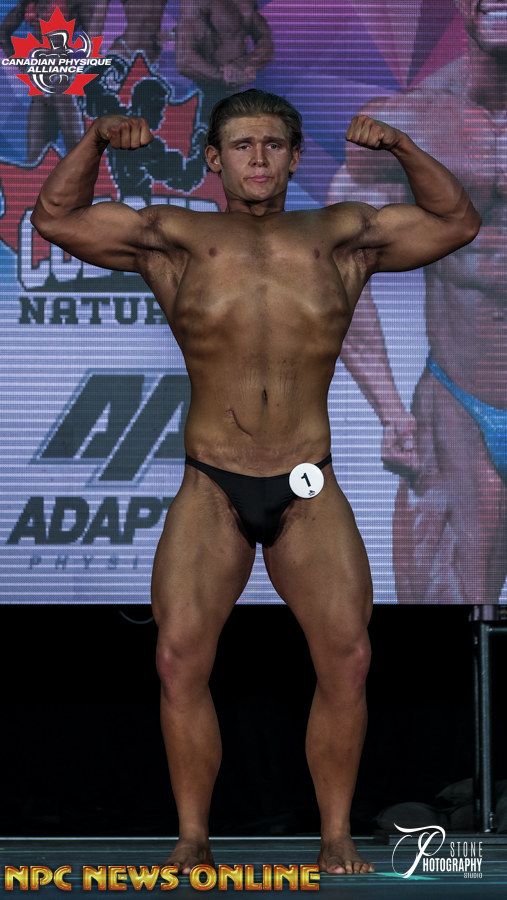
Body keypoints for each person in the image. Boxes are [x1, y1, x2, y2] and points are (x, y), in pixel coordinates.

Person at [30, 89, 480, 874]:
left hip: (307, 482)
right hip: (212, 483)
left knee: (348, 658)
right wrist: (96, 139)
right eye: (242, 145)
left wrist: (402, 147)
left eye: (273, 144)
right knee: (178, 658)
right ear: (214, 159)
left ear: (295, 157)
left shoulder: (340, 234)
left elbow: (455, 222)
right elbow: (56, 218)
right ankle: (192, 835)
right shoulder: (174, 238)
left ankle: (334, 836)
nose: (259, 158)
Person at [328, 0, 507, 604]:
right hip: (460, 408)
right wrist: (389, 410)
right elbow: (338, 266)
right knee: (448, 617)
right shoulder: (407, 126)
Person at [175, 0, 273, 122]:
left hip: (241, 95)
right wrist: (225, 77)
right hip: (210, 96)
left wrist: (244, 63)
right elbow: (184, 60)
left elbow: (265, 39)